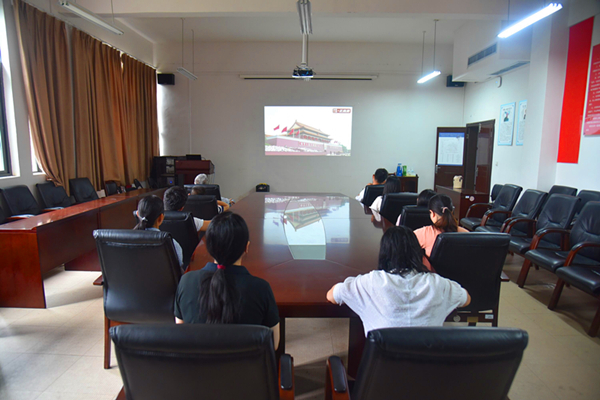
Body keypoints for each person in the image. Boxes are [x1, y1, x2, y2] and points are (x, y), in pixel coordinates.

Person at [326, 226, 470, 336]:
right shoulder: (438, 284)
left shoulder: (370, 282)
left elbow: (332, 296)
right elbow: (466, 299)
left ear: (384, 254)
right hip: (428, 366)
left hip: (382, 367)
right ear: (417, 253)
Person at [174, 212, 280, 348]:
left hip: (196, 362)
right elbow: (273, 344)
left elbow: (181, 336)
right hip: (245, 362)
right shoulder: (261, 289)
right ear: (246, 247)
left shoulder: (186, 282)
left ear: (208, 247)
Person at [413, 194, 468, 270]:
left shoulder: (424, 233)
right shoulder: (466, 234)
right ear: (452, 211)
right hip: (460, 276)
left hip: (434, 276)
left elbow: (403, 246)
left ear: (432, 213)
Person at [134, 195, 184, 268]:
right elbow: (178, 270)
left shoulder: (124, 241)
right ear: (161, 218)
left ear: (137, 214)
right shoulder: (172, 244)